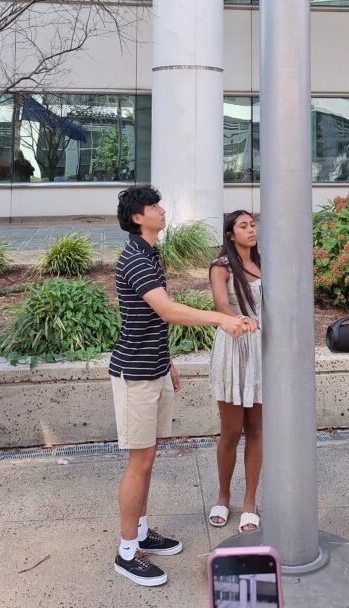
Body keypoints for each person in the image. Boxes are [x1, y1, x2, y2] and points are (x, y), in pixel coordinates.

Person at [109, 186, 255, 589]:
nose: (161, 210)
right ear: (138, 217)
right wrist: (221, 320)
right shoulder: (136, 259)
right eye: (154, 206)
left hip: (154, 368)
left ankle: (140, 532)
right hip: (135, 374)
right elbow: (167, 311)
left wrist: (168, 360)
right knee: (138, 463)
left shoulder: (150, 254)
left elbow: (149, 318)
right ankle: (126, 553)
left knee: (147, 460)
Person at [208, 210, 262, 534]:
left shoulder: (263, 263)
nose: (251, 229)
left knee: (256, 430)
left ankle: (250, 502)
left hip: (261, 351)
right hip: (233, 346)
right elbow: (221, 306)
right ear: (230, 234)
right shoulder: (222, 267)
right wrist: (240, 320)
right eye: (243, 226)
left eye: (252, 224)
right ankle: (223, 496)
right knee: (231, 432)